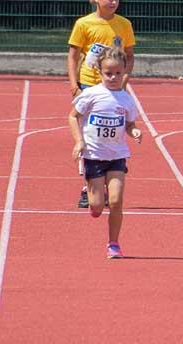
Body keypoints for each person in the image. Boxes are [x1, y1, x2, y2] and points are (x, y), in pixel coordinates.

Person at [67, 0, 136, 209]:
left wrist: (124, 80)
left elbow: (130, 54)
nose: (114, 2)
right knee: (89, 135)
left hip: (114, 88)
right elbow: (74, 55)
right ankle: (88, 186)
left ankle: (110, 179)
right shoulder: (84, 24)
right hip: (89, 85)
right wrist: (73, 84)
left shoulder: (124, 24)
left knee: (112, 130)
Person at [68, 47, 142, 259]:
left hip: (117, 156)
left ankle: (113, 243)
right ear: (99, 72)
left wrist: (134, 130)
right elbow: (73, 117)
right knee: (97, 206)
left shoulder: (126, 99)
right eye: (108, 73)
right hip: (93, 155)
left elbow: (130, 124)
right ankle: (95, 203)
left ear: (125, 71)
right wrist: (79, 141)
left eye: (118, 73)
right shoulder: (91, 94)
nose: (113, 77)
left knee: (117, 201)